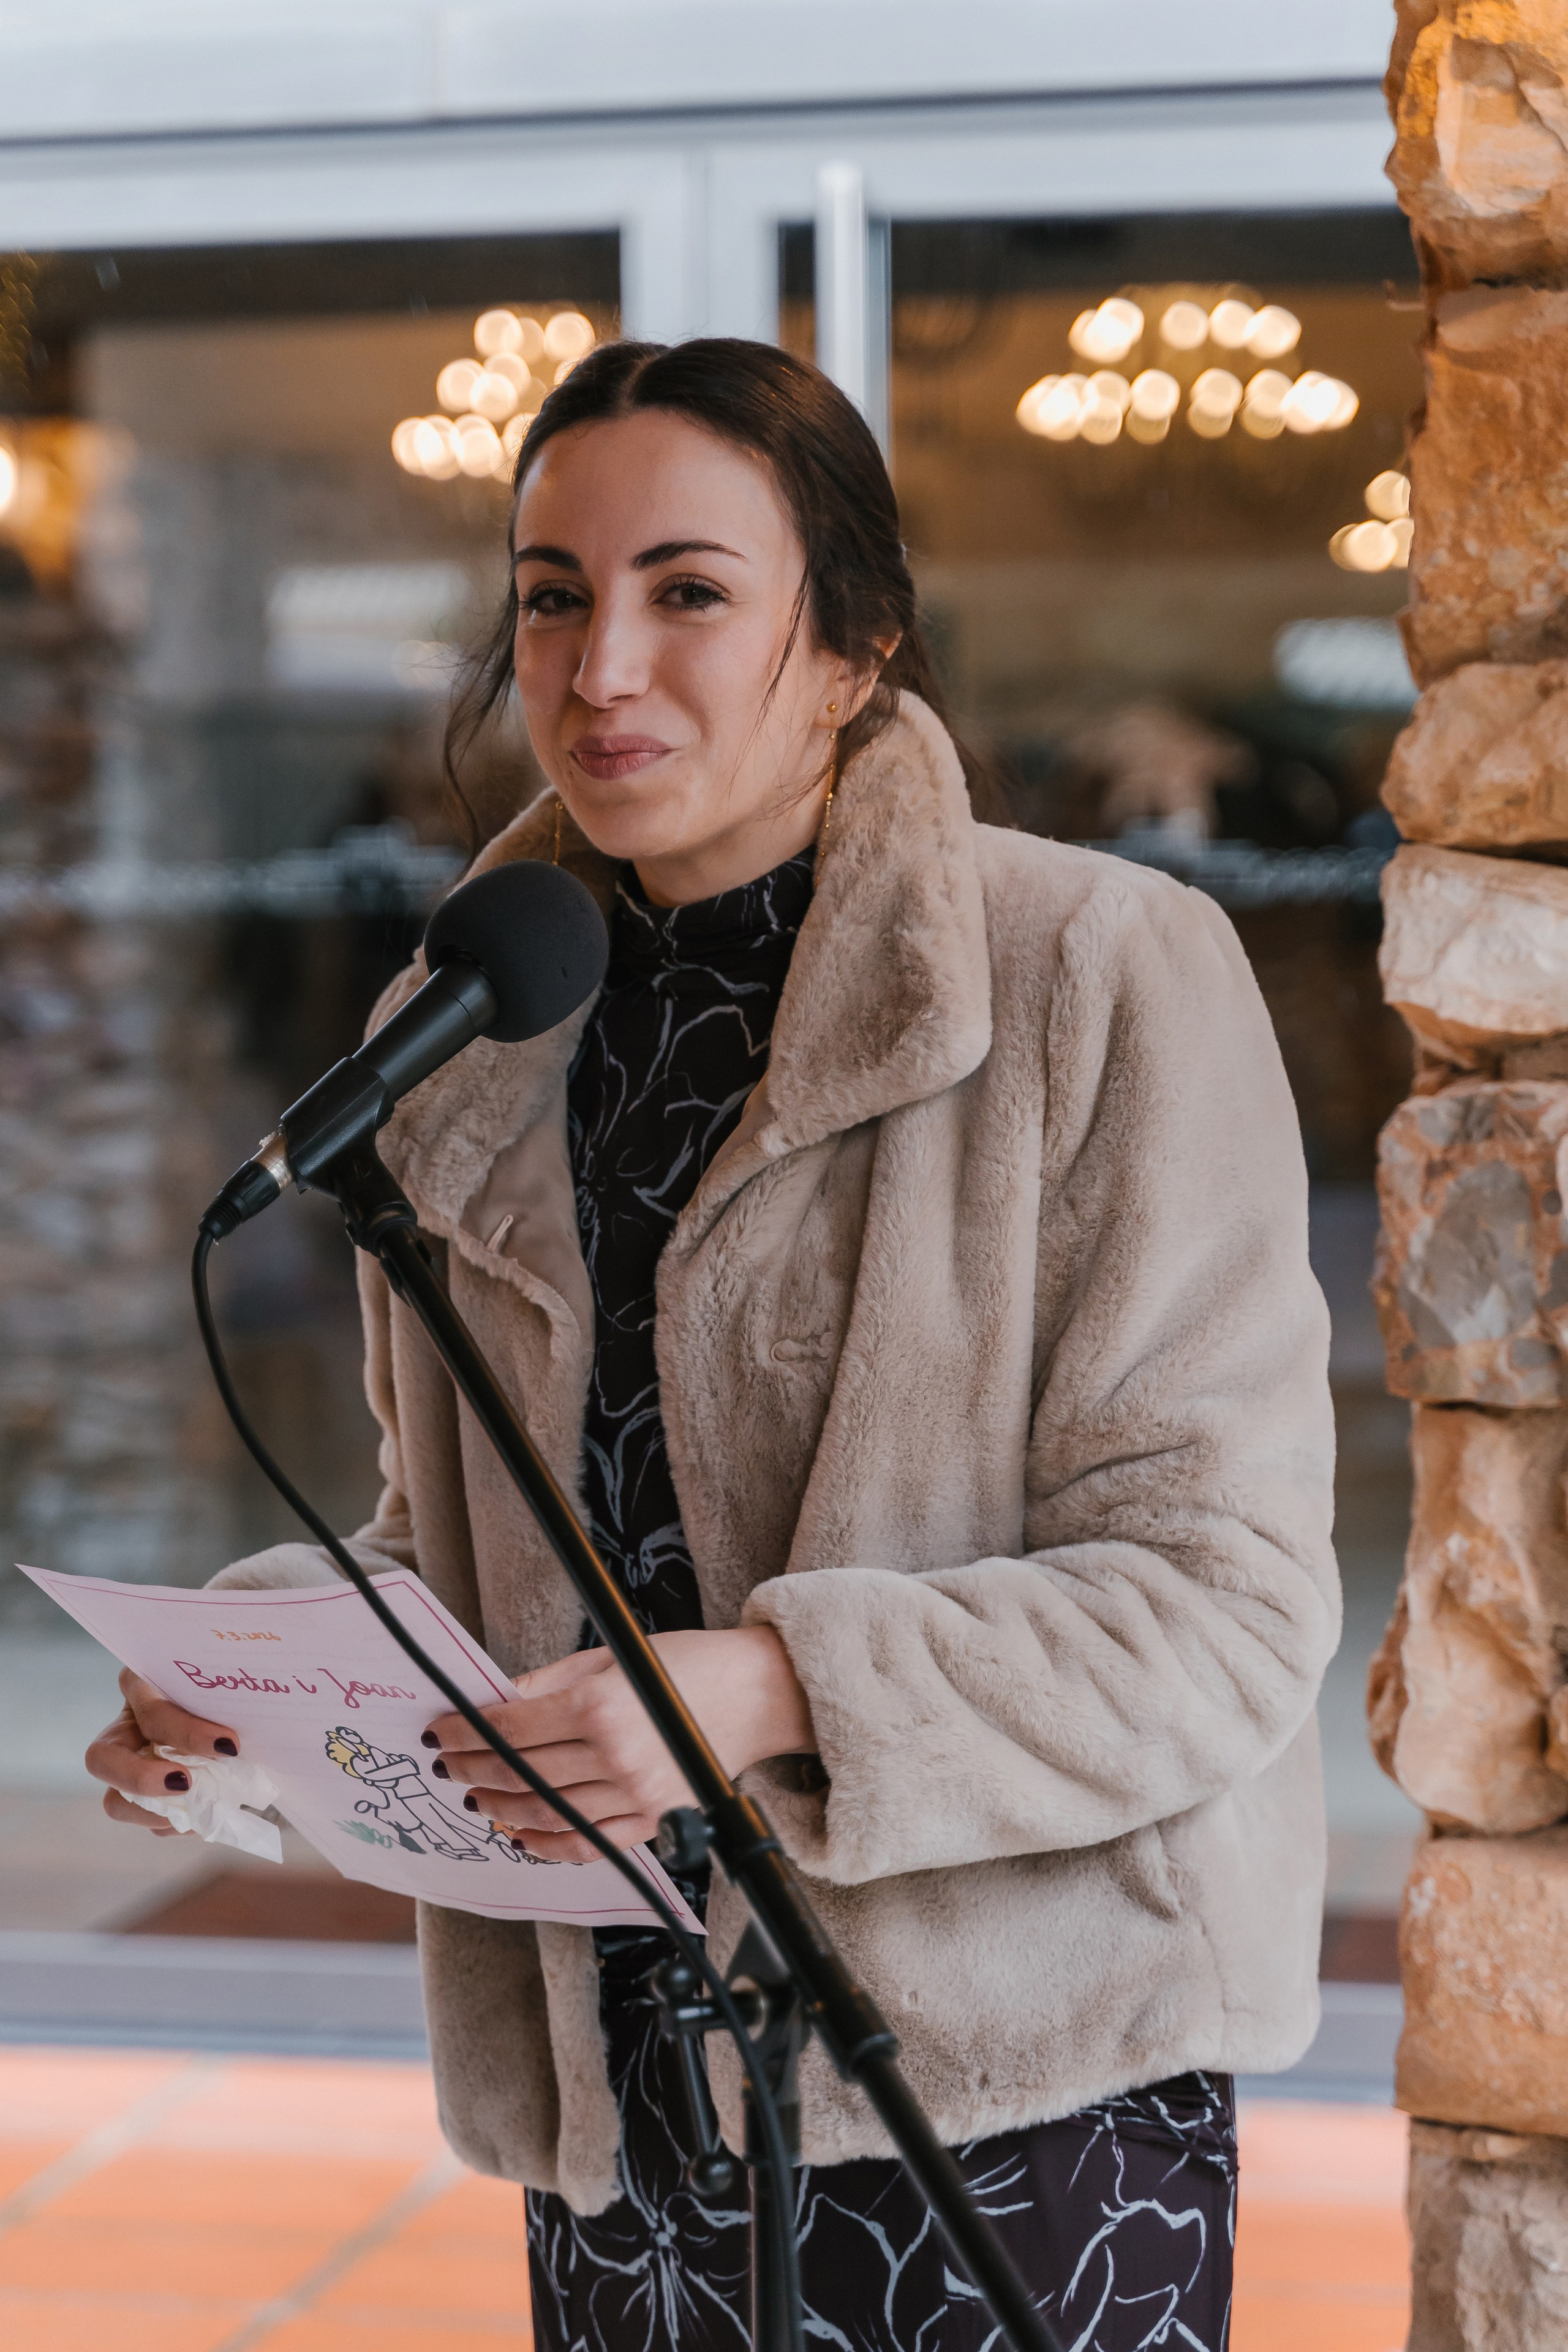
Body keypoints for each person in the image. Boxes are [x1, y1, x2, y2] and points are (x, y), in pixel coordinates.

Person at [87, 337, 1338, 2351]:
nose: (600, 672)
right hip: (628, 2104)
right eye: (554, 595)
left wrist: (765, 1687)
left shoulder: (1095, 975)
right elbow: (470, 1548)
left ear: (853, 645)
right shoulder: (477, 1022)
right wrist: (246, 1682)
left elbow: (1228, 1608)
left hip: (999, 2106)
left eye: (690, 592)